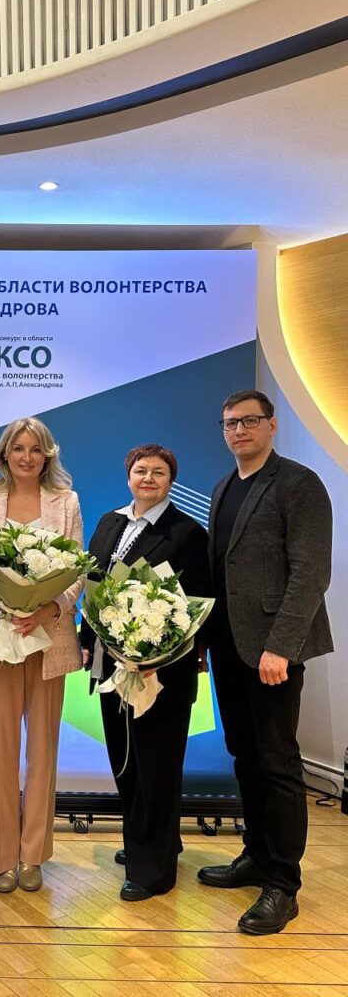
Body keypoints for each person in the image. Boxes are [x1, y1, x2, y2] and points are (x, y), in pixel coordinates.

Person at [200, 389, 333, 935]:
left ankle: (283, 884)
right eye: (230, 423)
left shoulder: (299, 484)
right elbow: (221, 572)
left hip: (273, 651)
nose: (239, 430)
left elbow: (310, 573)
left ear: (272, 426)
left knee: (277, 762)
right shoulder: (223, 486)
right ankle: (256, 855)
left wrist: (281, 646)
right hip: (229, 647)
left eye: (249, 421)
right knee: (244, 754)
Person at [0, 417, 84, 893]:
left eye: (35, 449)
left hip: (48, 638)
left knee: (43, 753)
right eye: (18, 448)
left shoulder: (67, 502)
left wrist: (48, 607)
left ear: (47, 455)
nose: (26, 457)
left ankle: (34, 856)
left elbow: (77, 571)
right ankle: (3, 858)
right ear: (4, 454)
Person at [78, 444, 211, 901]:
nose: (148, 478)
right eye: (140, 470)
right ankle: (149, 839)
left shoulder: (187, 532)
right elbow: (94, 588)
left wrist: (157, 653)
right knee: (125, 760)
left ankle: (154, 871)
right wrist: (87, 640)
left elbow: (196, 606)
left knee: (157, 765)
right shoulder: (109, 522)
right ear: (128, 476)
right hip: (110, 663)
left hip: (161, 672)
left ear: (171, 480)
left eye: (158, 472)